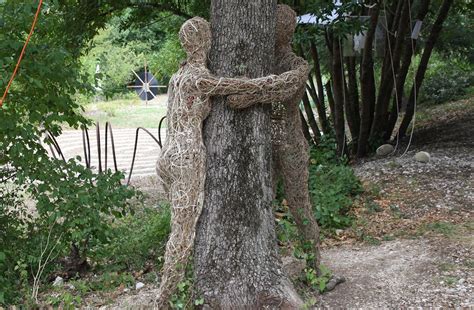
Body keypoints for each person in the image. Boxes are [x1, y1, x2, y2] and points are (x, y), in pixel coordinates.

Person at [155, 16, 307, 307]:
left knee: (180, 229)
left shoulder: (178, 74)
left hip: (167, 156)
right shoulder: (199, 77)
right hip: (186, 156)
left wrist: (255, 95)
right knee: (182, 235)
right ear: (208, 42)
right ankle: (162, 300)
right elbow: (238, 85)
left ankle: (173, 290)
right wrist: (257, 91)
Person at [228, 4, 322, 273]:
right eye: (273, 23)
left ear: (290, 29)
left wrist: (251, 94)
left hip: (289, 139)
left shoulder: (297, 65)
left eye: (281, 24)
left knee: (299, 202)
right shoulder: (261, 61)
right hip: (268, 141)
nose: (275, 29)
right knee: (262, 199)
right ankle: (264, 262)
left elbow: (282, 87)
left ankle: (315, 264)